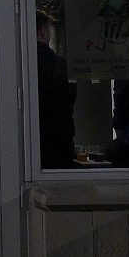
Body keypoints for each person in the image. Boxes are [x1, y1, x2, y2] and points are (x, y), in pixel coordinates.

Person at [36, 10, 76, 168]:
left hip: (27, 141)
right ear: (44, 32)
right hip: (58, 142)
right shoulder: (58, 64)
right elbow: (69, 100)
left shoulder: (16, 64)